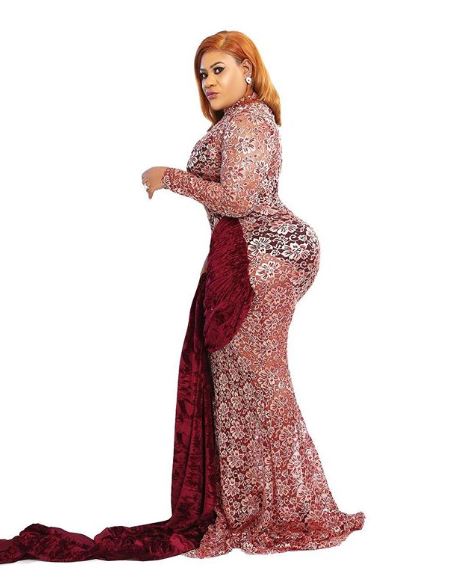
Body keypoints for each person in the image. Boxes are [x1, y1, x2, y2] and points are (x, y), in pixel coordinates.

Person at [0, 30, 364, 565]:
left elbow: (239, 199)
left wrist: (169, 177)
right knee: (239, 384)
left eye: (219, 69)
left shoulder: (248, 121)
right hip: (247, 255)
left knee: (260, 380)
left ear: (246, 68)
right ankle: (255, 508)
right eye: (202, 73)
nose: (208, 81)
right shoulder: (239, 122)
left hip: (267, 253)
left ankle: (296, 510)